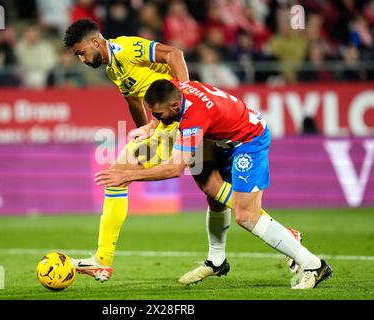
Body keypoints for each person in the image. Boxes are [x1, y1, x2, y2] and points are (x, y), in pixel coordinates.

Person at [64, 19, 300, 285]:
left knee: (118, 175)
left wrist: (185, 100)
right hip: (165, 125)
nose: (82, 60)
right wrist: (146, 129)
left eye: (81, 52)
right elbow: (133, 100)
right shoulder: (113, 70)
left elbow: (174, 54)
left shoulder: (128, 49)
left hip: (177, 119)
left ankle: (103, 261)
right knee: (212, 188)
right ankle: (285, 235)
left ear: (95, 41)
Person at [95, 79, 333, 290]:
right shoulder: (179, 89)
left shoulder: (193, 118)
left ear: (176, 107)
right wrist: (151, 127)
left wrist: (126, 176)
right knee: (213, 192)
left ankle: (313, 265)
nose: (158, 120)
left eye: (158, 115)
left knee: (246, 216)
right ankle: (216, 261)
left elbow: (175, 168)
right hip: (224, 140)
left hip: (249, 141)